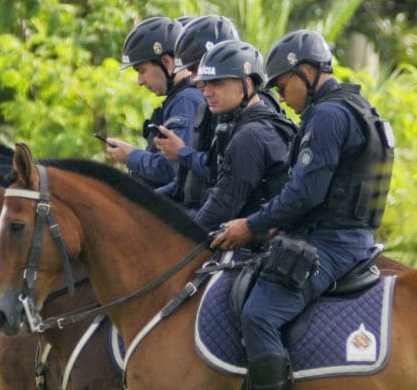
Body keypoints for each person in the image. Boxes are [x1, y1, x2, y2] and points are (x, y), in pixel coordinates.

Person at [212, 30, 395, 390]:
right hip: (347, 236)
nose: (282, 94)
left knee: (260, 313)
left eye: (283, 84)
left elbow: (306, 193)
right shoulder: (354, 106)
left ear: (307, 72)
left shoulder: (328, 116)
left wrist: (250, 226)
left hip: (332, 243)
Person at [184, 39, 297, 231]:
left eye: (217, 83)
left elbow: (223, 204)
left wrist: (184, 239)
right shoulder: (252, 124)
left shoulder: (251, 135)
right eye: (206, 84)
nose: (207, 93)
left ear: (246, 83)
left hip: (255, 246)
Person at [153, 15, 241, 212]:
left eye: (196, 69)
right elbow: (185, 181)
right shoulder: (213, 109)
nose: (193, 79)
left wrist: (182, 153)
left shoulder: (253, 117)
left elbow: (224, 175)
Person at [105, 17, 204, 189]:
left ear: (166, 62)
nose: (140, 81)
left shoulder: (186, 100)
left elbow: (174, 169)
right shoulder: (180, 99)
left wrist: (131, 156)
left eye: (142, 71)